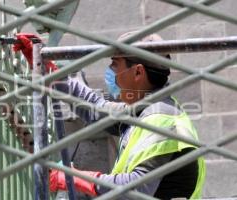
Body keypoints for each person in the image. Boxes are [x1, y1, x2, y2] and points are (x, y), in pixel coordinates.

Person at [13, 32, 206, 199]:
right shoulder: (144, 109)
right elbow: (96, 109)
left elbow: (133, 190)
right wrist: (47, 70)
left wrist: (73, 178)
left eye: (115, 65)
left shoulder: (163, 121)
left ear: (138, 72)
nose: (110, 73)